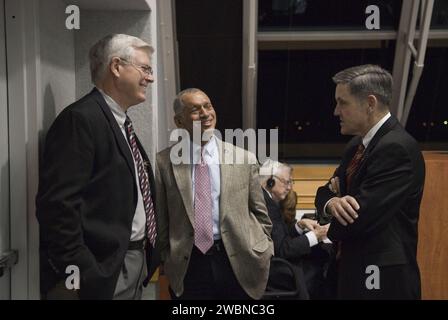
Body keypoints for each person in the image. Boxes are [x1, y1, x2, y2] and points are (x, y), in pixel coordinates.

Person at [36, 34, 159, 300]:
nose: (150, 78)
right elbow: (57, 206)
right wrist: (84, 271)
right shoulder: (81, 120)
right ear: (116, 67)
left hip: (133, 263)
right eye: (145, 68)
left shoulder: (120, 121)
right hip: (103, 271)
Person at [315, 64, 425, 299]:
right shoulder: (356, 145)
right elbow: (324, 192)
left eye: (342, 102)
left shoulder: (397, 148)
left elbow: (358, 218)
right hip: (353, 272)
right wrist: (332, 203)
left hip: (382, 280)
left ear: (370, 103)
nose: (336, 111)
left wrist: (327, 228)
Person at [156, 88, 273, 300]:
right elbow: (162, 220)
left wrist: (263, 247)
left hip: (238, 262)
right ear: (179, 121)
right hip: (189, 265)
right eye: (195, 109)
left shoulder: (244, 159)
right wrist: (166, 257)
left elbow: (261, 213)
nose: (205, 113)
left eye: (207, 106)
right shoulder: (164, 163)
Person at [260, 160, 329, 299]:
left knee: (320, 254)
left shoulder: (269, 201)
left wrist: (299, 226)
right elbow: (283, 249)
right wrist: (316, 236)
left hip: (276, 264)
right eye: (287, 182)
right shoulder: (265, 205)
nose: (289, 187)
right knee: (323, 265)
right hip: (274, 270)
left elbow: (279, 238)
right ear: (270, 181)